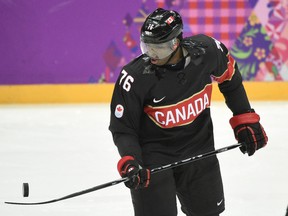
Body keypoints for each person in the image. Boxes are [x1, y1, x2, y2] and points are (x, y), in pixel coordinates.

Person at [109, 8, 268, 216]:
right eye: (147, 47)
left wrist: (243, 117)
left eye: (158, 49)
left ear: (175, 43)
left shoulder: (208, 51)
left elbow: (230, 77)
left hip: (199, 152)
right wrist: (131, 161)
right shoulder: (134, 77)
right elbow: (123, 128)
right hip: (153, 162)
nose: (151, 55)